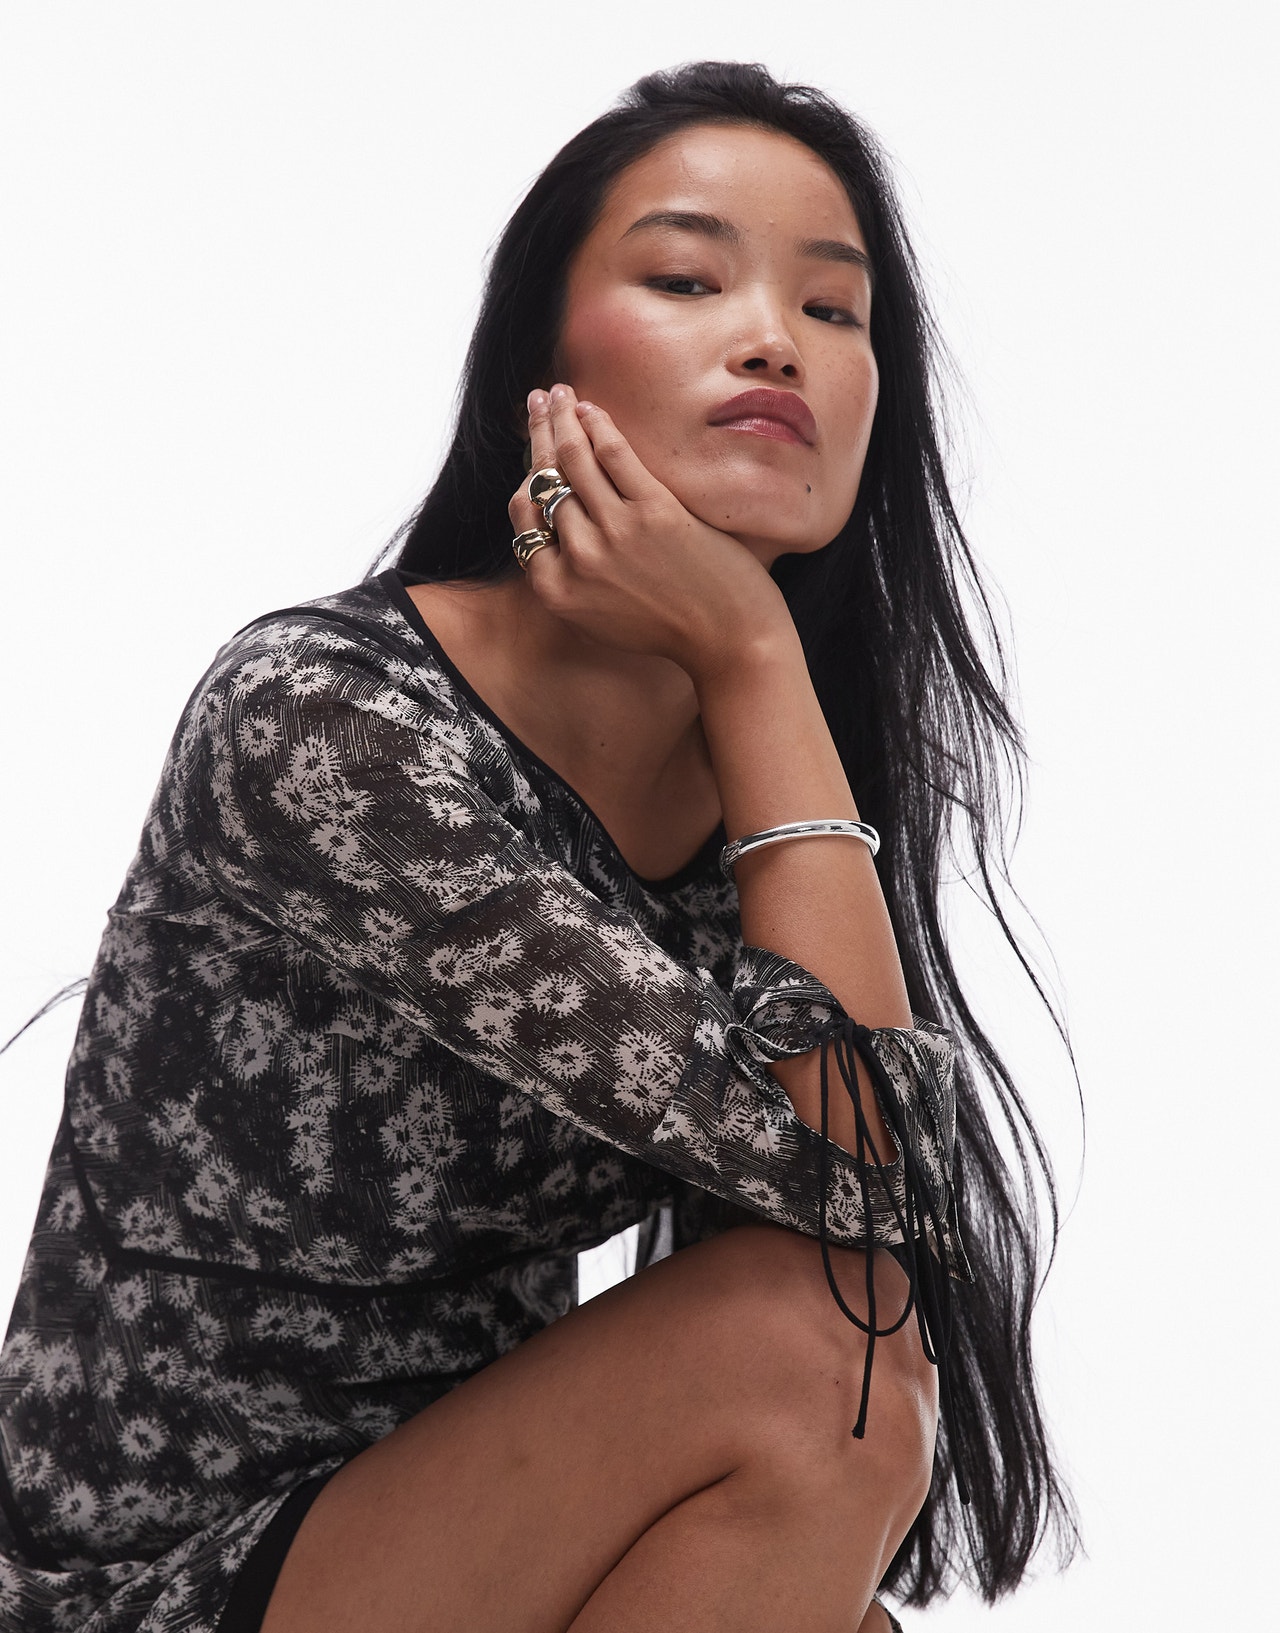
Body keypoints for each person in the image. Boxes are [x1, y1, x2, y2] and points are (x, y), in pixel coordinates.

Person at [0, 61, 1076, 1633]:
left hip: (459, 1542)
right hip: (154, 1587)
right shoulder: (331, 722)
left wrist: (755, 680)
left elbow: (877, 1213)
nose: (774, 337)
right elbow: (850, 1283)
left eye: (834, 310)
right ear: (541, 371)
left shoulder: (765, 803)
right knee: (811, 1363)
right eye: (688, 278)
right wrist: (754, 654)